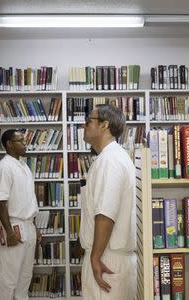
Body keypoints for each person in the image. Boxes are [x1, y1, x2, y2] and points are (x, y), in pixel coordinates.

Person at [80, 104, 137, 299]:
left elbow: (105, 214)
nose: (84, 125)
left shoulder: (109, 161)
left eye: (89, 121)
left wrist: (95, 258)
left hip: (107, 258)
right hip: (113, 256)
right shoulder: (115, 157)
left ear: (104, 125)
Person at [0, 129, 40, 300]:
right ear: (9, 144)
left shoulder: (23, 166)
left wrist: (35, 228)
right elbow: (1, 202)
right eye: (20, 141)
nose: (25, 144)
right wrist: (9, 232)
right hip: (12, 225)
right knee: (7, 278)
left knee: (25, 277)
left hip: (28, 224)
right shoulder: (4, 168)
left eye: (24, 141)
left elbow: (28, 200)